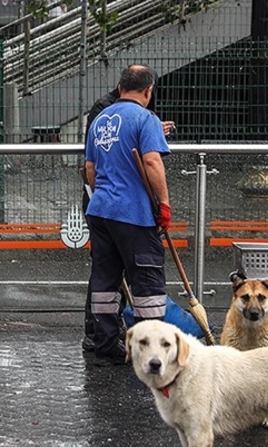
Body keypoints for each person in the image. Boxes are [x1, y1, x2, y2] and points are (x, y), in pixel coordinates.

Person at [83, 64, 171, 363]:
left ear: (120, 87)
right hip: (133, 212)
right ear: (148, 91)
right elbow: (152, 163)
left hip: (100, 210)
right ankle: (151, 351)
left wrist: (105, 194)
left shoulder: (100, 120)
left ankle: (106, 346)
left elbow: (90, 169)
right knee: (146, 282)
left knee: (105, 281)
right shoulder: (146, 119)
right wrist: (164, 205)